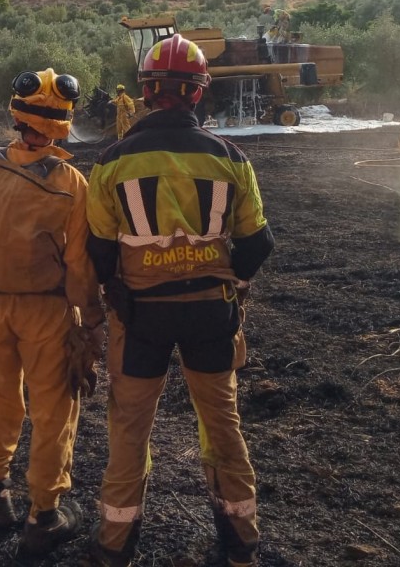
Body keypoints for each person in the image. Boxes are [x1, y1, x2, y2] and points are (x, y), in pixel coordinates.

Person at [84, 35, 276, 567]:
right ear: (198, 94)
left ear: (146, 92)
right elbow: (258, 243)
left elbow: (98, 252)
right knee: (222, 424)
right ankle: (241, 541)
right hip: (212, 314)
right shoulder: (230, 158)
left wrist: (116, 291)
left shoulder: (110, 162)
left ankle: (114, 544)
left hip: (140, 318)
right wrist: (229, 281)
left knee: (128, 429)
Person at [0, 67, 105, 556]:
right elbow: (80, 265)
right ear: (64, 121)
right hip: (49, 313)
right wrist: (92, 318)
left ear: (17, 116)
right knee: (54, 410)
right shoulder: (72, 184)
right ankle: (45, 513)